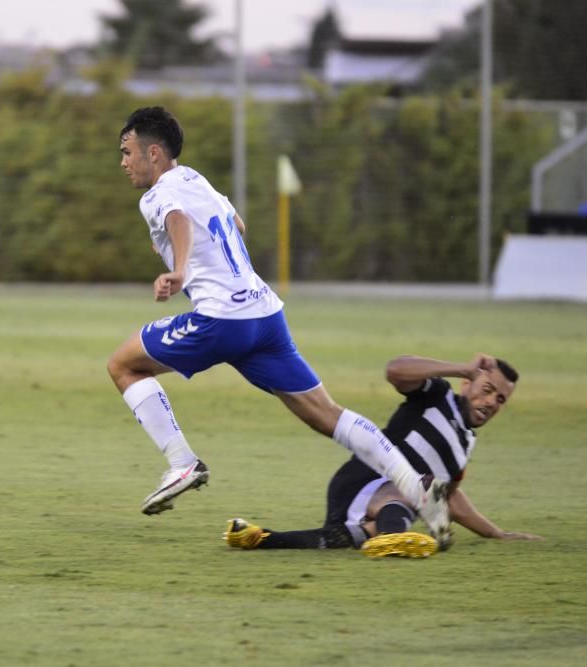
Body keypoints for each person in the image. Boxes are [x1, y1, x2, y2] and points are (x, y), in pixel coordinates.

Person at [107, 106, 450, 547]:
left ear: (153, 153)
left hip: (221, 319)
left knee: (124, 366)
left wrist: (179, 269)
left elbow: (177, 220)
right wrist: (190, 254)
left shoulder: (157, 196)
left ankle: (182, 463)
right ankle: (416, 486)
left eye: (127, 151)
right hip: (264, 315)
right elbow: (236, 224)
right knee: (325, 413)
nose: (123, 161)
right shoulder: (196, 179)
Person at [223, 354, 542, 557]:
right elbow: (395, 371)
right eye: (487, 389)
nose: (491, 402)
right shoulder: (438, 396)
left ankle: (258, 538)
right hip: (363, 482)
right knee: (417, 492)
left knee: (339, 539)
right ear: (467, 384)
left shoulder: (465, 446)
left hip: (390, 505)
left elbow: (450, 500)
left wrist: (496, 533)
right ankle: (392, 537)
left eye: (501, 399)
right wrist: (461, 367)